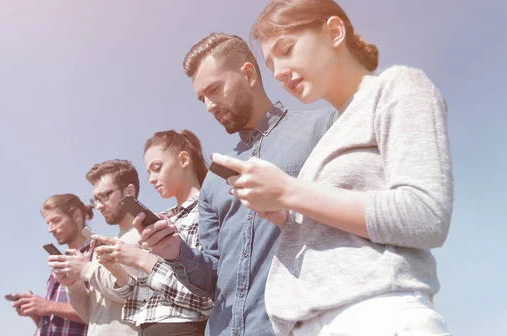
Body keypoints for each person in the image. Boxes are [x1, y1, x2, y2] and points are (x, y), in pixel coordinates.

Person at [210, 0, 454, 335]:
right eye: (271, 64)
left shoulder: (397, 86)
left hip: (373, 315)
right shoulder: (332, 132)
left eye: (287, 49)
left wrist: (289, 191)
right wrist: (284, 215)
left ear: (334, 32)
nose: (278, 71)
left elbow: (425, 214)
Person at [135, 33, 336, 335]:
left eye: (214, 90)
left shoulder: (323, 129)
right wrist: (176, 252)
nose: (208, 106)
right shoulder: (216, 176)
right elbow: (211, 278)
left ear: (249, 74)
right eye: (202, 98)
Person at [94, 130, 213, 336]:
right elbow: (137, 294)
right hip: (146, 328)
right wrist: (115, 267)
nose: (150, 179)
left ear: (184, 159)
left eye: (157, 168)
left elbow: (205, 300)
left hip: (183, 328)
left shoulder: (208, 211)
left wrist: (143, 260)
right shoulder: (161, 219)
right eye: (148, 172)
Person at [47, 160, 141, 335]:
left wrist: (86, 269)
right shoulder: (105, 245)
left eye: (105, 195)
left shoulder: (147, 236)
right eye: (96, 198)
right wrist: (72, 284)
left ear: (129, 191)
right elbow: (91, 315)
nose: (98, 206)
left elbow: (134, 296)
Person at [10, 194, 90, 336]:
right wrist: (36, 311)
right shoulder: (60, 261)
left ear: (77, 215)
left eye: (56, 220)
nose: (50, 229)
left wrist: (48, 306)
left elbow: (100, 311)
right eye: (48, 223)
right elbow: (58, 319)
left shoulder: (97, 254)